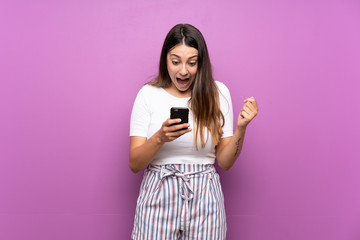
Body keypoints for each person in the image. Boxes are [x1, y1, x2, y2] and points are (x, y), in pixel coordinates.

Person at [129, 23, 258, 240]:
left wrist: (241, 128)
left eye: (191, 63)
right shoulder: (148, 94)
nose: (183, 71)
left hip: (205, 195)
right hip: (159, 191)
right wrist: (160, 137)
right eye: (175, 62)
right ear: (165, 60)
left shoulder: (219, 93)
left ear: (201, 63)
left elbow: (225, 162)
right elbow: (134, 163)